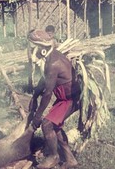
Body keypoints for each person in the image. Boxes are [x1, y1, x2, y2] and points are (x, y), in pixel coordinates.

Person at [27, 29, 81, 169]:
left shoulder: (53, 63)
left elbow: (48, 94)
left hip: (70, 99)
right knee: (54, 127)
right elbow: (44, 81)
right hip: (65, 98)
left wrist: (38, 116)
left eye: (33, 47)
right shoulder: (49, 58)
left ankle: (53, 157)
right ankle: (70, 159)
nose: (31, 50)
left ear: (42, 49)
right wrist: (34, 95)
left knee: (47, 124)